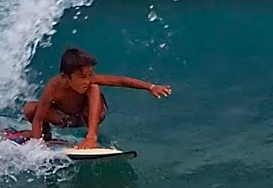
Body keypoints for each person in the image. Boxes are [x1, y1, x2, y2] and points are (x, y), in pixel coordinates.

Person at [21, 47, 172, 149]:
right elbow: (38, 119)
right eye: (82, 77)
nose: (87, 80)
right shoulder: (53, 87)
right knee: (30, 108)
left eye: (89, 75)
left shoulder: (90, 81)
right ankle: (45, 137)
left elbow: (120, 81)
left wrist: (151, 87)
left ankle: (91, 136)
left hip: (90, 115)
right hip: (66, 118)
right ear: (65, 77)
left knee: (94, 88)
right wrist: (37, 146)